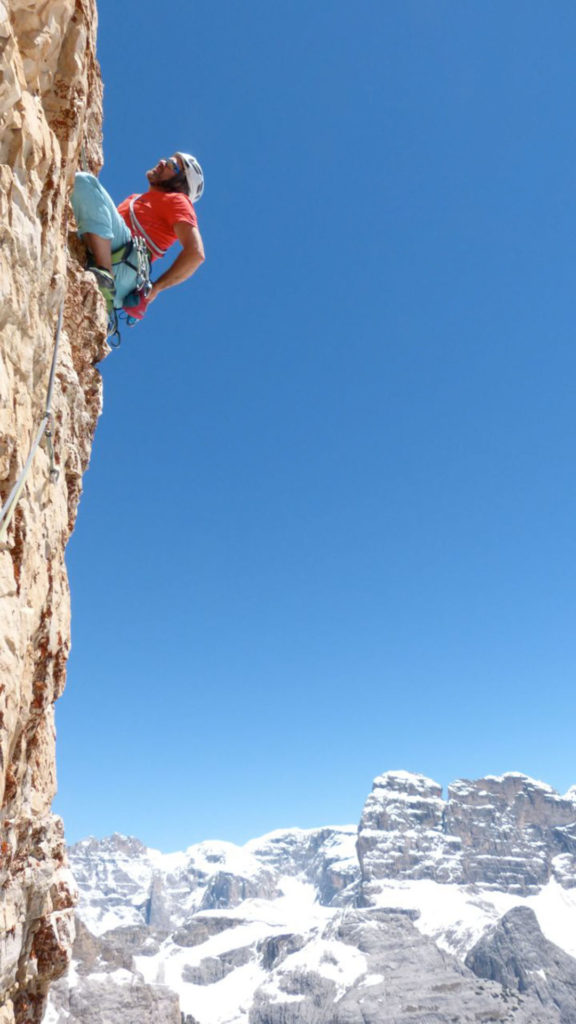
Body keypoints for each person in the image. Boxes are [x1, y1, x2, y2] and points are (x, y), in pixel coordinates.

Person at [71, 152, 206, 318]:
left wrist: (157, 287)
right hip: (122, 270)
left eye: (171, 164)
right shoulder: (137, 199)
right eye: (167, 159)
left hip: (125, 265)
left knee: (85, 182)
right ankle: (103, 276)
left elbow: (196, 253)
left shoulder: (178, 200)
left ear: (180, 184)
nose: (162, 162)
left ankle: (105, 275)